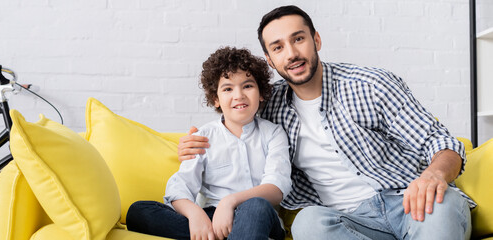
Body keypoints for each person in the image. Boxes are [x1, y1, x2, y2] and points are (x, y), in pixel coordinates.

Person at [178, 5, 474, 240]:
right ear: (269, 60)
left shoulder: (370, 84)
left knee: (441, 207)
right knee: (308, 224)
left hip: (410, 201)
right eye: (278, 47)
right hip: (347, 222)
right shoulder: (269, 106)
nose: (292, 54)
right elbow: (232, 117)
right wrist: (192, 143)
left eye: (298, 39)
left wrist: (434, 174)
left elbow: (441, 142)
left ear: (316, 39)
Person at [126, 47, 291, 240]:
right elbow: (180, 187)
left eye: (247, 86)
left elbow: (276, 188)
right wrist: (195, 214)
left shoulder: (273, 134)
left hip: (260, 218)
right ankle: (215, 235)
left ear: (261, 93)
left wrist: (229, 202)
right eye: (228, 89)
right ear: (216, 99)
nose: (238, 95)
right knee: (139, 211)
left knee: (255, 205)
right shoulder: (203, 137)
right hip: (213, 220)